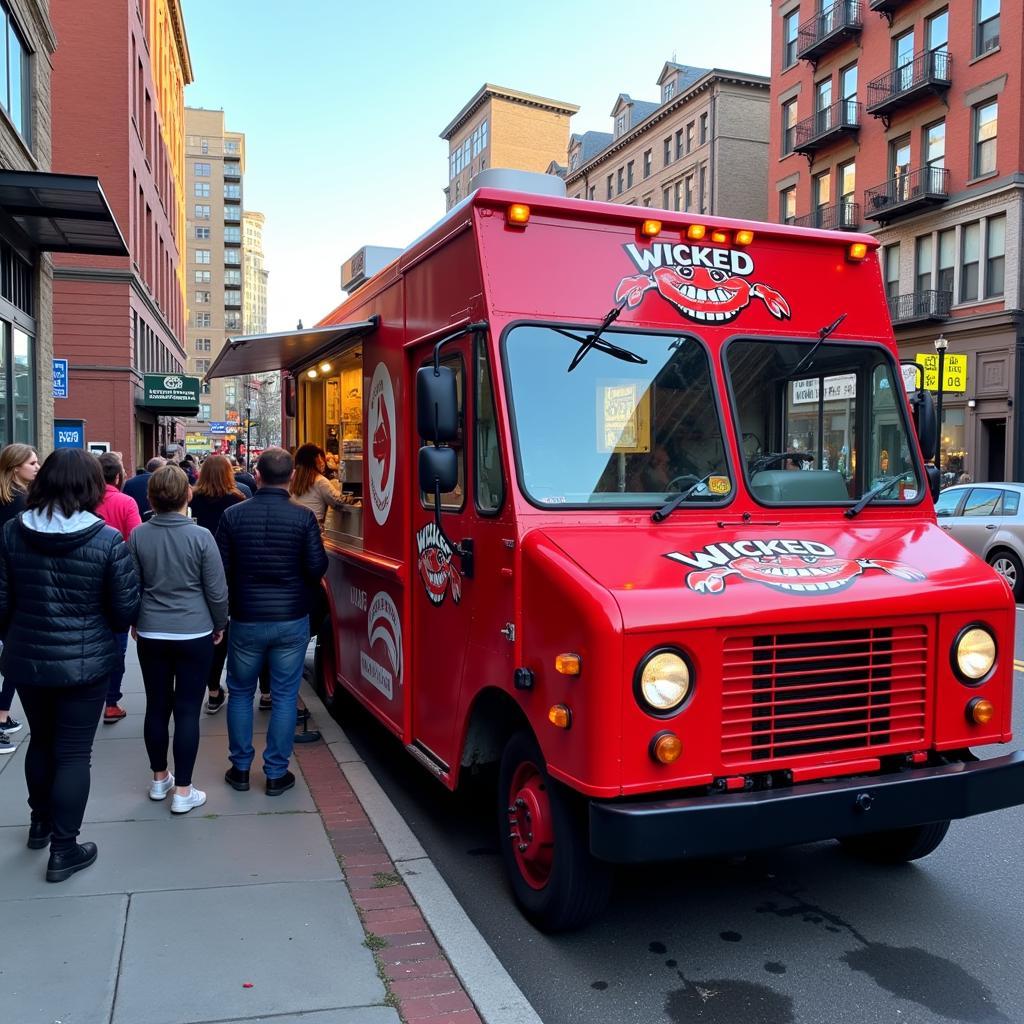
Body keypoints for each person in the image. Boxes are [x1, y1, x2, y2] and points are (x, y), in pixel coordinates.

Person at [0, 448, 139, 881]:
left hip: (28, 658)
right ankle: (65, 848)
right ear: (91, 487)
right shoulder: (106, 540)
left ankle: (39, 823)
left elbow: (2, 604)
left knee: (40, 742)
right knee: (75, 752)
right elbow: (123, 611)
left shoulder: (11, 533)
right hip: (86, 662)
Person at [216, 447, 328, 795]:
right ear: (292, 477)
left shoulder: (233, 516)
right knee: (283, 695)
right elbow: (316, 567)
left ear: (257, 476)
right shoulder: (303, 518)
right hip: (290, 619)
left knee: (239, 693)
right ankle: (277, 773)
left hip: (247, 617)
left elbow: (221, 569)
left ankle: (241, 768)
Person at [130, 465, 228, 814]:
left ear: (151, 497)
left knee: (157, 705)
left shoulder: (139, 535)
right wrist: (219, 623)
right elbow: (216, 591)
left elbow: (132, 585)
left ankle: (160, 780)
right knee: (187, 709)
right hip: (194, 630)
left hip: (152, 629)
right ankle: (184, 791)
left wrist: (135, 620)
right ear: (188, 494)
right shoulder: (201, 537)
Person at [190, 454, 249, 714]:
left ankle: (213, 690)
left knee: (214, 631)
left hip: (200, 570)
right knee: (237, 627)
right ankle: (254, 687)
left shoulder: (194, 498)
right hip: (231, 571)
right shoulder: (238, 498)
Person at [95, 453, 142, 724]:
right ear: (117, 476)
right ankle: (111, 702)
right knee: (117, 645)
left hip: (86, 585)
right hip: (116, 584)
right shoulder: (126, 502)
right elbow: (135, 540)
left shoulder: (82, 502)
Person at [0, 443, 39, 754]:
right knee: (14, 655)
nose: (37, 468)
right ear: (16, 468)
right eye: (32, 463)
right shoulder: (19, 502)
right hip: (10, 584)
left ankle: (4, 714)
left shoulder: (9, 498)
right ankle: (1, 718)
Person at [290, 442, 351, 528]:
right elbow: (337, 501)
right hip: (312, 527)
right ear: (313, 460)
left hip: (294, 527)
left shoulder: (293, 480)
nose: (322, 461)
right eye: (319, 457)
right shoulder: (320, 481)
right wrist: (351, 498)